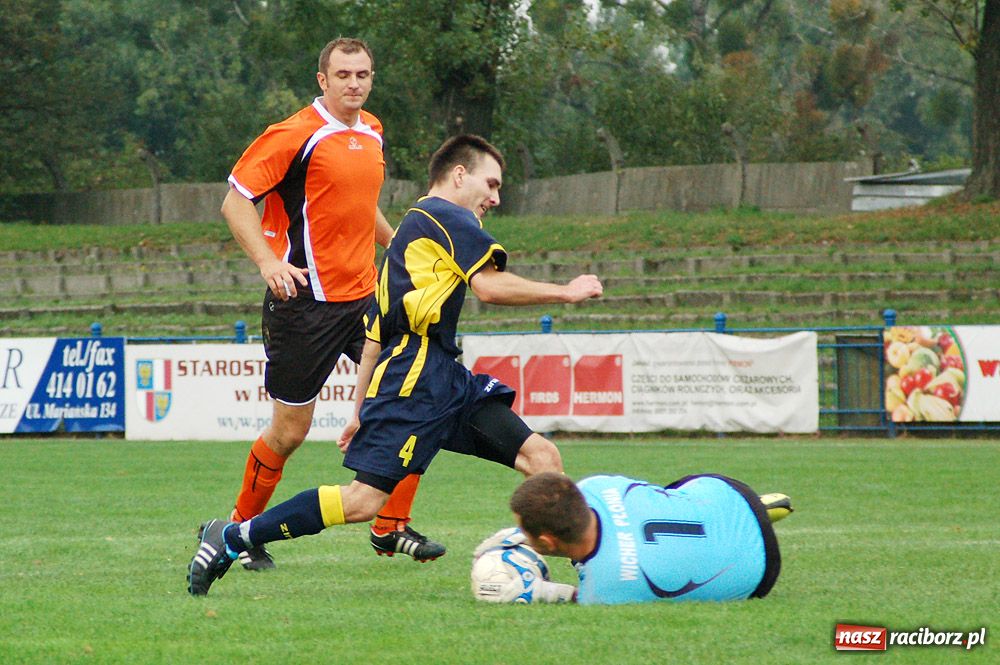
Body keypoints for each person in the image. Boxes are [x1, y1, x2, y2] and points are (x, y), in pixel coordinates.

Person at [187, 134, 604, 596]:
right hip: (414, 378)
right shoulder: (447, 216)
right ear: (459, 175)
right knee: (363, 502)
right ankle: (233, 537)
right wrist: (566, 292)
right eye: (491, 184)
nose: (495, 198)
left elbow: (373, 336)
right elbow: (488, 286)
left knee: (541, 457)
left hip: (443, 376)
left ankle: (588, 565)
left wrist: (358, 410)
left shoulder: (411, 229)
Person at [219, 37, 440, 571]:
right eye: (343, 75)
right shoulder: (294, 134)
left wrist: (401, 247)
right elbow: (235, 202)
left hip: (365, 300)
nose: (354, 84)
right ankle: (237, 533)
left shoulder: (373, 130)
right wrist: (268, 263)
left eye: (362, 74)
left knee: (418, 398)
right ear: (323, 80)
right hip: (303, 304)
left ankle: (390, 526)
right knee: (288, 433)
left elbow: (361, 206)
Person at [507, 471, 792, 605]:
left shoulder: (603, 591)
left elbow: (577, 594)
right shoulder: (597, 486)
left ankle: (753, 516)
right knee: (659, 498)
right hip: (730, 494)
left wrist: (538, 592)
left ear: (548, 542)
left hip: (759, 572)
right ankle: (755, 510)